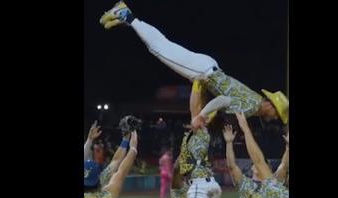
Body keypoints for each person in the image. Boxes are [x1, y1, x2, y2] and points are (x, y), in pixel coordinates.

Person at [99, 1, 289, 124]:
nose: (275, 118)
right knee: (158, 48)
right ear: (270, 105)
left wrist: (207, 114)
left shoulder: (255, 102)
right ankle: (126, 15)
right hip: (203, 71)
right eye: (277, 114)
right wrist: (202, 116)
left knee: (162, 46)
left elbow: (222, 100)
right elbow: (223, 100)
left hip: (208, 68)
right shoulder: (252, 107)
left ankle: (126, 19)